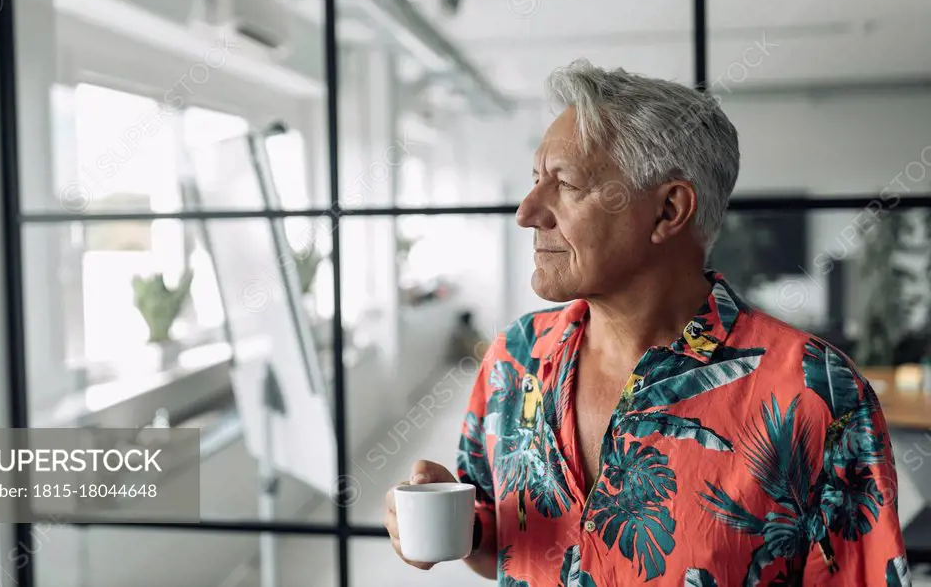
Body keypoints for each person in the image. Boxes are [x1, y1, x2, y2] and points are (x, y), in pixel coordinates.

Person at [383, 60, 907, 585]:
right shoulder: (514, 357)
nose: (526, 211)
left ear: (668, 211)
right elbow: (501, 543)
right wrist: (461, 530)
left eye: (564, 183)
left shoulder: (819, 395)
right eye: (535, 179)